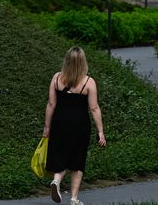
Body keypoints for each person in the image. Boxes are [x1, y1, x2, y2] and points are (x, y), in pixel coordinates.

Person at [44, 47, 106, 205]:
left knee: (61, 153)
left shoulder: (57, 78)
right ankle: (73, 199)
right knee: (77, 160)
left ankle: (56, 181)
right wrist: (100, 131)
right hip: (80, 124)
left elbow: (51, 104)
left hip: (59, 122)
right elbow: (94, 108)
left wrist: (47, 127)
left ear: (67, 60)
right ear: (83, 62)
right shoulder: (89, 82)